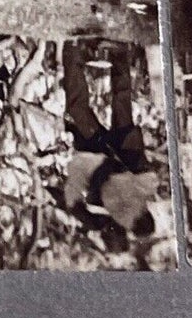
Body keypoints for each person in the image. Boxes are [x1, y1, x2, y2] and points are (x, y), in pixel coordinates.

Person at [61, 41, 159, 245]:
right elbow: (118, 183)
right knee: (88, 108)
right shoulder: (122, 215)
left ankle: (106, 52)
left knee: (113, 105)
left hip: (112, 159)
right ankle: (78, 50)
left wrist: (80, 209)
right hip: (119, 161)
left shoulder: (107, 216)